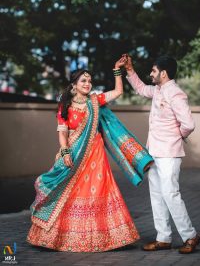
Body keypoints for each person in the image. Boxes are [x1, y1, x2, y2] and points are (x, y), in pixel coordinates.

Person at [27, 56, 153, 252]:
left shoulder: (95, 102)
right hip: (74, 156)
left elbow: (118, 91)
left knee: (98, 191)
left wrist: (116, 70)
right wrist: (66, 151)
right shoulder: (65, 106)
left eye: (89, 80)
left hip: (96, 155)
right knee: (69, 192)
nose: (88, 83)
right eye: (83, 81)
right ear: (74, 85)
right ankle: (60, 237)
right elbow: (63, 133)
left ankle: (105, 237)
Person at [124, 54, 200, 254]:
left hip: (169, 152)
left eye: (154, 71)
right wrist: (130, 70)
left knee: (170, 194)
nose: (151, 73)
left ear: (163, 73)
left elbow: (189, 124)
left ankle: (190, 236)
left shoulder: (175, 93)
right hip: (154, 151)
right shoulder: (157, 90)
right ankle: (163, 238)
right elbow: (140, 88)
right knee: (157, 195)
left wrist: (177, 136)